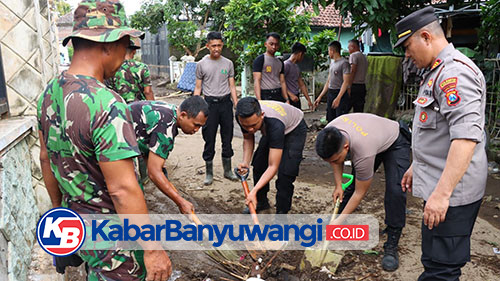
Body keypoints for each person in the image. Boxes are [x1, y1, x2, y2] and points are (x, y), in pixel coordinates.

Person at [37, 1, 171, 280]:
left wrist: (59, 212)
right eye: (125, 46)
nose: (126, 57)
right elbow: (122, 188)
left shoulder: (49, 93)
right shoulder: (107, 103)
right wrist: (152, 249)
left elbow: (46, 159)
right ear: (108, 44)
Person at [395, 6, 488, 280]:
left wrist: (442, 194)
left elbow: (465, 138)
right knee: (434, 260)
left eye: (408, 47)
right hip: (441, 186)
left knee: (442, 270)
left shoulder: (454, 76)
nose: (407, 55)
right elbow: (438, 130)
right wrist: (417, 165)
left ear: (426, 37)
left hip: (453, 194)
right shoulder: (436, 71)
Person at [315, 113, 411, 271]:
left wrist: (338, 221)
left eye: (335, 159)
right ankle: (336, 227)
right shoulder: (330, 134)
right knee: (349, 187)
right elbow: (333, 160)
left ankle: (392, 243)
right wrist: (338, 185)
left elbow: (360, 193)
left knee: (396, 190)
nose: (332, 163)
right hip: (373, 137)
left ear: (346, 147)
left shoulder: (363, 151)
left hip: (395, 141)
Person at [129, 97, 208, 214]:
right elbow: (153, 172)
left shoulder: (170, 111)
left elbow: (146, 144)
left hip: (120, 138)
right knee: (132, 192)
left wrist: (161, 173)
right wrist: (180, 202)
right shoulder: (166, 124)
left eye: (200, 127)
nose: (196, 130)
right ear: (183, 115)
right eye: (195, 125)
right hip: (111, 140)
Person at [236, 97, 307, 214]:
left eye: (254, 125)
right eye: (246, 126)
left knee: (286, 173)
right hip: (270, 127)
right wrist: (245, 162)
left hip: (294, 129)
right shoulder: (242, 116)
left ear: (262, 115)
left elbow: (273, 166)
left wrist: (253, 191)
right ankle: (261, 202)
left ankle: (281, 214)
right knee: (258, 164)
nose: (251, 129)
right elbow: (248, 138)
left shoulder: (275, 124)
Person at [194, 31, 239, 185]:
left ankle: (228, 170)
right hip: (209, 105)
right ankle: (209, 172)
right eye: (213, 45)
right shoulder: (201, 64)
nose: (216, 48)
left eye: (219, 45)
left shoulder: (228, 63)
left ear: (222, 45)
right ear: (207, 46)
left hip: (225, 104)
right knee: (209, 138)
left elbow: (232, 85)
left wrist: (236, 103)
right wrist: (196, 106)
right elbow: (198, 87)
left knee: (228, 137)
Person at [106, 38, 154, 103]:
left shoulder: (111, 67)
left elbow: (108, 92)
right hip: (139, 108)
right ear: (134, 51)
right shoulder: (142, 67)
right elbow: (148, 92)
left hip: (120, 108)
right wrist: (153, 107)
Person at [314, 41, 351, 122]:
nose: (328, 53)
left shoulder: (344, 63)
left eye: (328, 51)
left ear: (332, 51)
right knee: (331, 119)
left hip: (340, 94)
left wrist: (338, 98)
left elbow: (346, 82)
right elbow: (328, 81)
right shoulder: (332, 63)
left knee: (340, 120)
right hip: (331, 93)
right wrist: (320, 97)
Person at [253, 33, 289, 102]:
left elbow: (282, 81)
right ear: (265, 44)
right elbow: (257, 80)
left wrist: (287, 99)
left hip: (279, 94)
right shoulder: (260, 60)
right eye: (271, 44)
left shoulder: (280, 62)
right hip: (266, 95)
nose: (274, 47)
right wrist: (259, 100)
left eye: (276, 44)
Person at [284, 42, 314, 110]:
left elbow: (301, 84)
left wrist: (308, 100)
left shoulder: (296, 67)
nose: (302, 58)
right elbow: (280, 82)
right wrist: (291, 95)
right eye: (303, 56)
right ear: (300, 54)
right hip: (288, 98)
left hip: (296, 97)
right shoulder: (286, 65)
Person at [347, 39, 368, 112]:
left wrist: (349, 85)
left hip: (354, 85)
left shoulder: (353, 55)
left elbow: (353, 70)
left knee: (345, 108)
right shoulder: (364, 56)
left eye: (349, 48)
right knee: (359, 110)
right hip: (362, 85)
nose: (348, 50)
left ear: (353, 47)